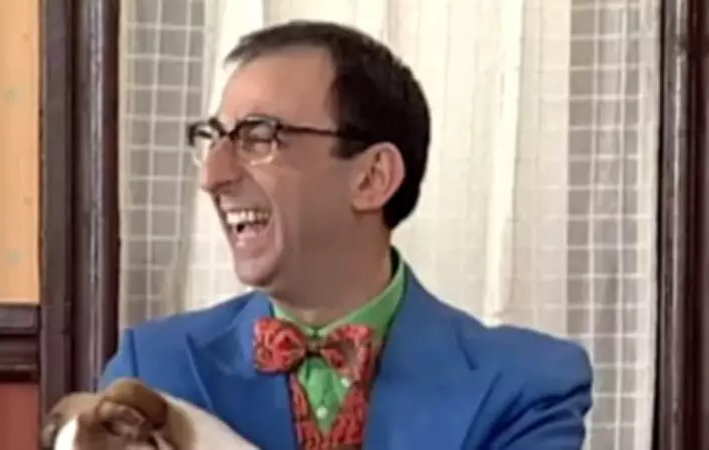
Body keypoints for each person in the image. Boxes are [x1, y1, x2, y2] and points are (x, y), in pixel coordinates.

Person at [101, 20, 593, 450]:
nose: (212, 176)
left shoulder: (525, 385)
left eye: (258, 136)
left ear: (372, 177)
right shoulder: (156, 372)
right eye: (212, 139)